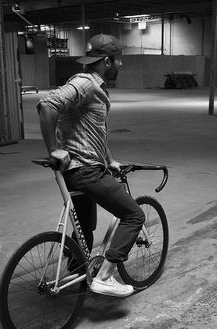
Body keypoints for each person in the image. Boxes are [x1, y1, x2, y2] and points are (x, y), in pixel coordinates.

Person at [37, 34, 145, 297]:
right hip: (85, 171)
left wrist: (109, 160)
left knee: (86, 228)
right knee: (134, 215)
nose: (120, 65)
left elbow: (94, 130)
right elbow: (48, 105)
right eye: (119, 60)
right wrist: (53, 149)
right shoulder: (85, 82)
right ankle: (105, 277)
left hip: (83, 169)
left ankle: (79, 275)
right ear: (107, 61)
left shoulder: (94, 87)